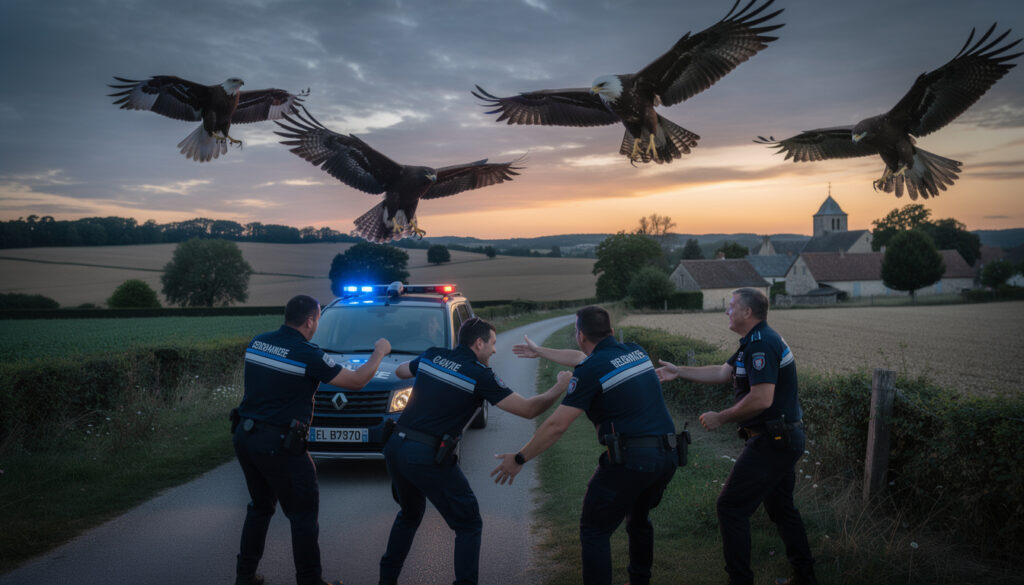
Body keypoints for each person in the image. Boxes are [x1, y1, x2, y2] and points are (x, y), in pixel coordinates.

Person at [493, 306, 679, 585]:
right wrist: (541, 351)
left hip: (631, 460)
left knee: (594, 530)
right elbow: (583, 358)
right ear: (612, 331)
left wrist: (519, 458)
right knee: (639, 520)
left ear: (580, 335)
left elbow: (556, 425)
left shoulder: (590, 370)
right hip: (668, 455)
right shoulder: (635, 351)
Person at [379, 316, 570, 585]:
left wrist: (423, 370)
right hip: (425, 455)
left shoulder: (433, 354)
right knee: (468, 524)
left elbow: (400, 372)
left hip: (395, 447)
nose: (494, 350)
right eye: (492, 343)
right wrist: (560, 386)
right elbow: (529, 410)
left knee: (409, 515)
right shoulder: (479, 375)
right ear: (478, 343)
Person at [655, 287, 817, 585]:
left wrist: (722, 417)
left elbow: (762, 399)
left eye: (731, 306)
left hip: (774, 441)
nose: (726, 311)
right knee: (782, 509)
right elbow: (721, 372)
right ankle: (805, 576)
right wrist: (680, 371)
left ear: (747, 312)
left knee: (730, 507)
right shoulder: (752, 343)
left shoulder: (761, 345)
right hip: (779, 438)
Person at [232, 294, 392, 585]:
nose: (317, 324)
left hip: (245, 436)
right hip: (279, 444)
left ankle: (244, 577)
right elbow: (356, 382)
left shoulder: (258, 342)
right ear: (310, 321)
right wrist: (379, 352)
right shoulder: (309, 354)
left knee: (260, 507)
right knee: (303, 516)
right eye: (318, 319)